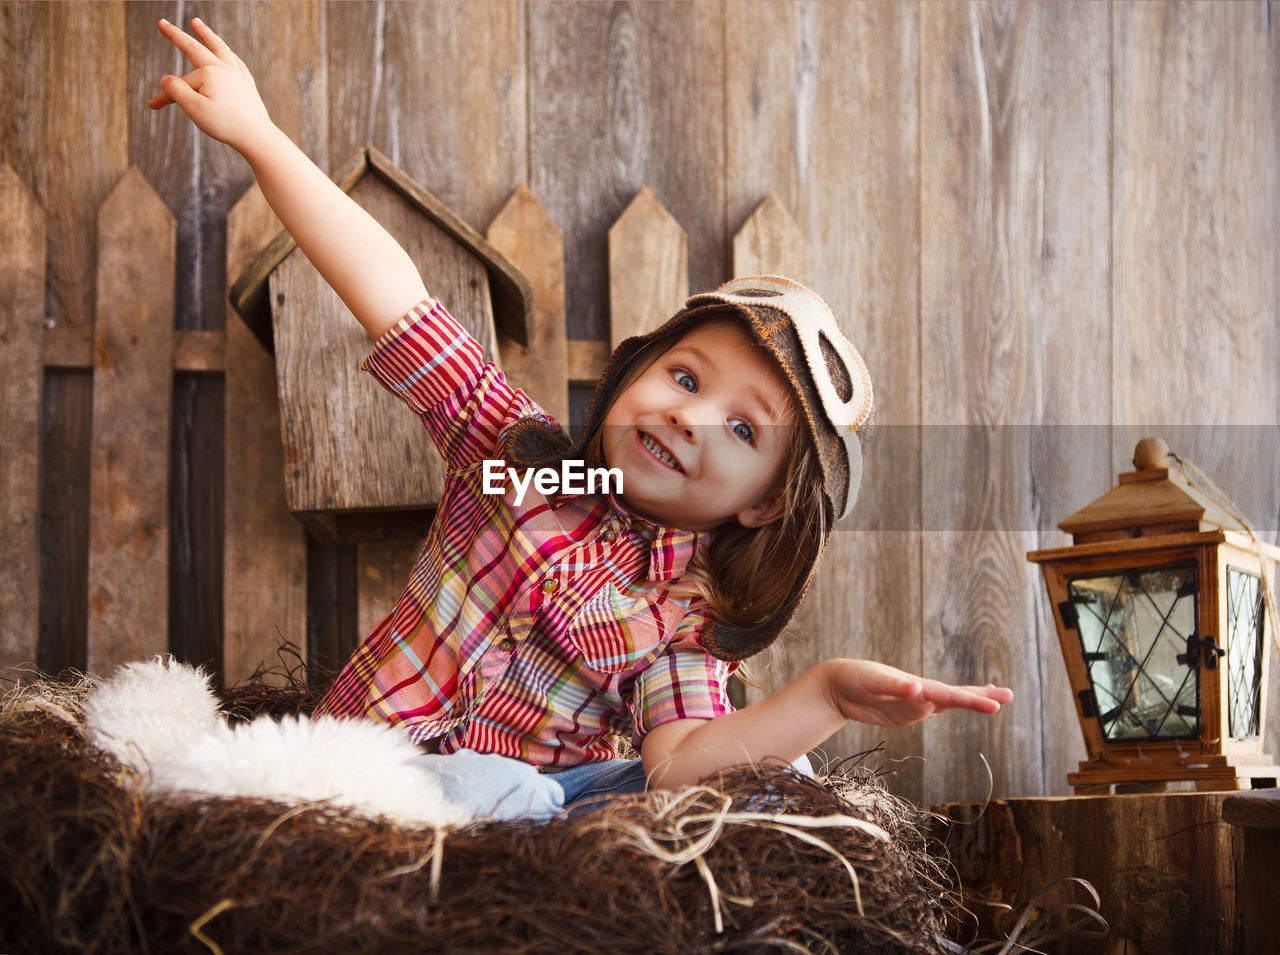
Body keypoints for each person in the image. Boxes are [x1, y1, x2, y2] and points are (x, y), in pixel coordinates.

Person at [150, 18, 1013, 821]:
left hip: (547, 801)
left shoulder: (688, 611)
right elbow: (393, 292)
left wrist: (820, 696)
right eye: (683, 375)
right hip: (381, 772)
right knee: (505, 786)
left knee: (770, 784)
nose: (690, 417)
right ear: (633, 371)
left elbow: (677, 763)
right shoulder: (514, 455)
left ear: (763, 506)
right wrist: (261, 136)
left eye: (744, 430)